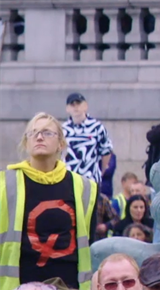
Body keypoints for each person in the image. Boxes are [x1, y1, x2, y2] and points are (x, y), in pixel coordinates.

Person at [4, 113, 103, 289]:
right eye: (33, 133)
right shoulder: (4, 184)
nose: (39, 137)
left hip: (69, 284)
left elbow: (89, 242)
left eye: (47, 132)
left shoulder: (85, 187)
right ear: (26, 144)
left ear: (61, 143)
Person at [62, 93, 114, 185]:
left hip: (91, 179)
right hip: (68, 180)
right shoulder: (63, 129)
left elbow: (106, 151)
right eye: (72, 104)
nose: (75, 107)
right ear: (67, 109)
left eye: (78, 103)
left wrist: (100, 171)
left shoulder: (97, 127)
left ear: (85, 106)